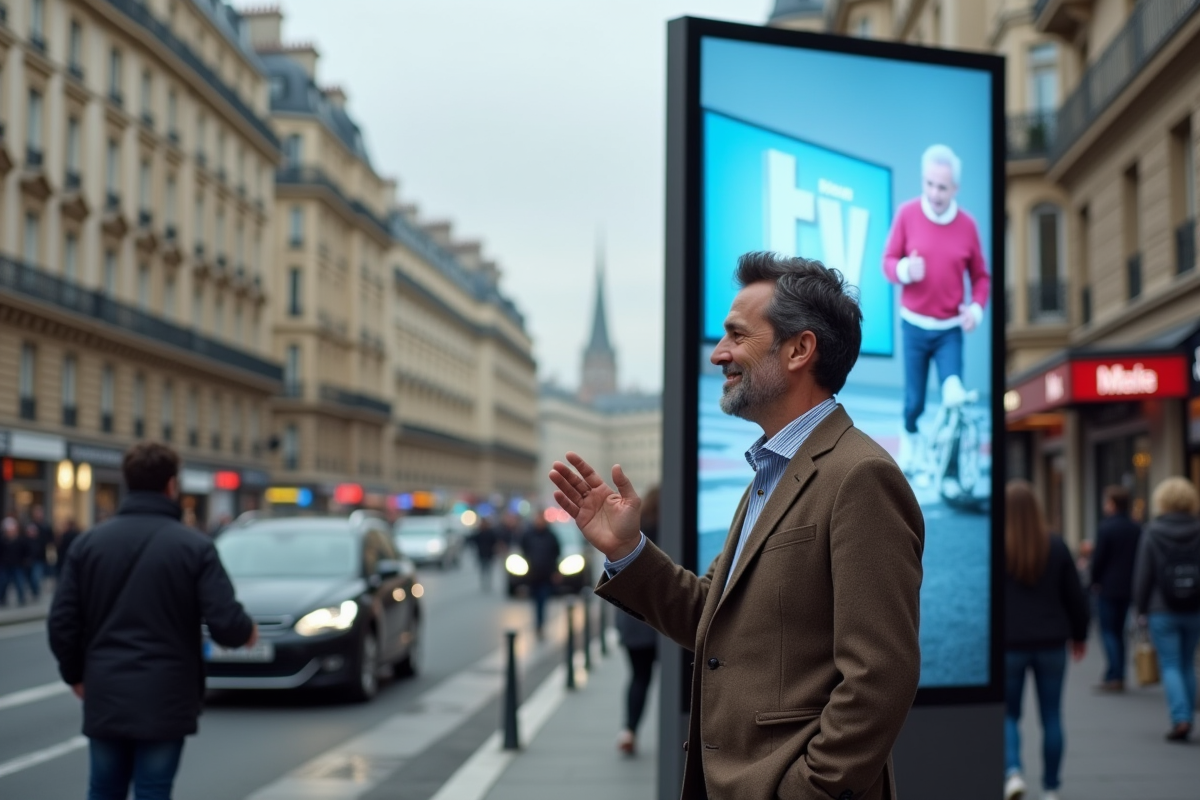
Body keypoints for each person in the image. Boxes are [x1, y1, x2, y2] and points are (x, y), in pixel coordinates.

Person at [551, 252, 923, 800]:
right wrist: (628, 550)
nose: (718, 355)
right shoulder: (772, 473)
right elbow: (715, 620)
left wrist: (804, 790)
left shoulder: (859, 476)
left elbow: (880, 677)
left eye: (736, 336)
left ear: (799, 349)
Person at [48, 442, 257, 800]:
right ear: (172, 485)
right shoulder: (194, 547)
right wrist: (247, 632)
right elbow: (226, 623)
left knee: (103, 789)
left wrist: (76, 674)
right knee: (153, 790)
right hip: (167, 692)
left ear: (128, 483)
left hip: (106, 688)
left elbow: (62, 622)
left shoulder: (88, 545)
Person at [882, 144, 990, 477]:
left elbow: (981, 277)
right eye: (929, 184)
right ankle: (911, 441)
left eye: (942, 186)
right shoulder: (907, 213)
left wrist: (975, 309)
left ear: (954, 188)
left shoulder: (968, 225)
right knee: (914, 401)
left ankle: (949, 460)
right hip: (913, 325)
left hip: (949, 330)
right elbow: (886, 262)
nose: (934, 192)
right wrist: (903, 270)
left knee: (953, 395)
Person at [1003, 480, 1090, 800]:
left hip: (1008, 644)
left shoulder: (999, 545)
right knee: (1052, 715)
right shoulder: (1055, 544)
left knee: (1008, 714)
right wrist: (1079, 635)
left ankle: (1012, 772)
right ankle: (1051, 789)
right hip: (1052, 643)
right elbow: (1075, 597)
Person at [1133, 476, 1200, 742]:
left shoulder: (1153, 531)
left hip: (1162, 607)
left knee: (1170, 663)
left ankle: (1180, 717)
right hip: (1194, 606)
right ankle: (1188, 717)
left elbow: (1143, 574)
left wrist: (1140, 608)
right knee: (1186, 663)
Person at [615, 485, 660, 756]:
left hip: (634, 617)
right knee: (685, 679)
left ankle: (629, 730)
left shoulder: (638, 527)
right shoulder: (675, 526)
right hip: (665, 613)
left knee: (639, 677)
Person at [1089, 485, 1142, 692]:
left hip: (1108, 586)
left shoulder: (1106, 527)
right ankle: (1120, 673)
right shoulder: (1135, 527)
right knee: (1120, 631)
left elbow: (1098, 559)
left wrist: (1093, 580)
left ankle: (1114, 674)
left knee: (1108, 631)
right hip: (1128, 586)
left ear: (1112, 504)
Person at [520, 514, 561, 640]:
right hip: (533, 576)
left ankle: (540, 625)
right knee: (535, 602)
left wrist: (555, 572)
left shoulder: (551, 536)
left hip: (546, 575)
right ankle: (538, 624)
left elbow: (556, 554)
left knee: (542, 601)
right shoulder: (528, 535)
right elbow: (523, 552)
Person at [0, 516, 30, 607]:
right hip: (5, 565)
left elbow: (26, 550)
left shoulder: (20, 540)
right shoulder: (2, 540)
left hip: (18, 564)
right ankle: (2, 598)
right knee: (3, 583)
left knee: (19, 582)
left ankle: (21, 598)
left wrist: (26, 559)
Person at [471, 516, 501, 591]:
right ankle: (484, 583)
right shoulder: (479, 533)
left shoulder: (490, 532)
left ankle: (488, 583)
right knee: (483, 569)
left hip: (489, 554)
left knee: (489, 569)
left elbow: (495, 541)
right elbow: (473, 541)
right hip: (481, 554)